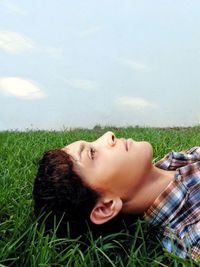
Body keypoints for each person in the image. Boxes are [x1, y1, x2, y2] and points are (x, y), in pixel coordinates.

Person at [33, 131, 200, 262]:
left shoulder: (177, 161)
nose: (109, 135)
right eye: (92, 153)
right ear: (105, 208)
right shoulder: (192, 234)